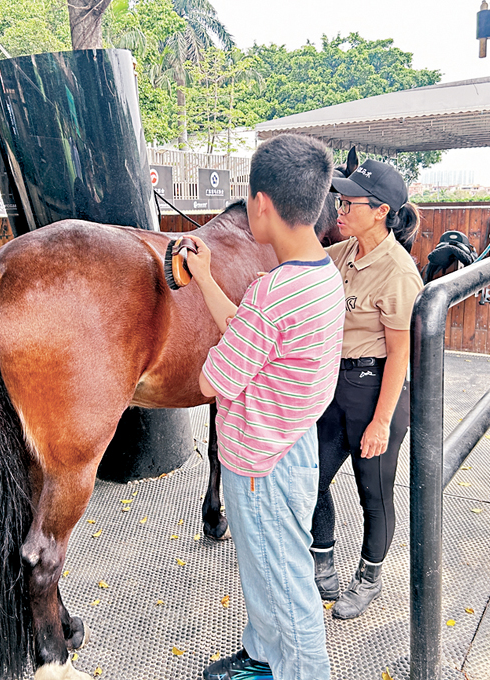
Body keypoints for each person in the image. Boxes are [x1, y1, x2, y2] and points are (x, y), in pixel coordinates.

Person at [185, 133, 346, 680]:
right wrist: (207, 278)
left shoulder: (272, 294)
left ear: (260, 204)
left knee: (286, 583)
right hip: (292, 446)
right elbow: (252, 334)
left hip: (259, 467)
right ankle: (262, 657)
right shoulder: (321, 279)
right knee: (265, 570)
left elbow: (213, 380)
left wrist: (230, 333)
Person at [309, 159, 423, 620]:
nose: (339, 207)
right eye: (339, 199)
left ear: (380, 211)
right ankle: (323, 558)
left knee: (373, 492)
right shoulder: (342, 253)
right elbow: (303, 270)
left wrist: (380, 421)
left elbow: (400, 355)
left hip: (374, 388)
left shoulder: (398, 273)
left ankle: (369, 578)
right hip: (331, 385)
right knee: (310, 477)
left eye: (348, 202)